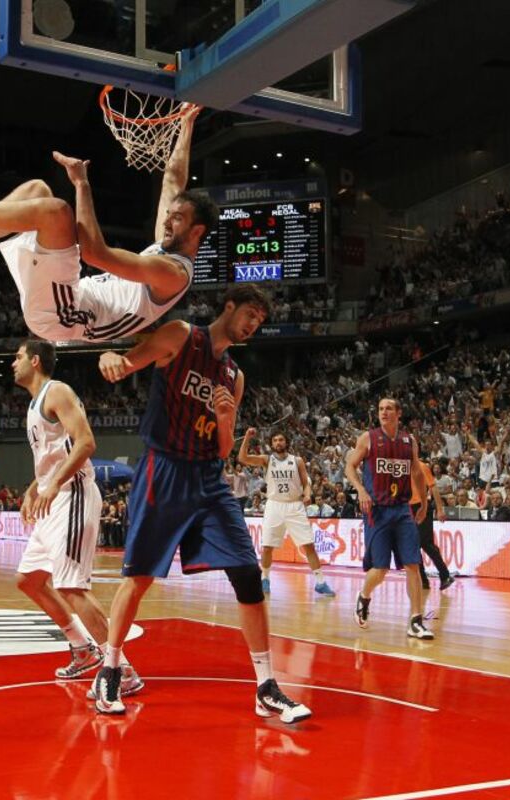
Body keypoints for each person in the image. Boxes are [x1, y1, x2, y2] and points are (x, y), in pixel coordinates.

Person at [91, 284, 310, 723]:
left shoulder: (234, 376)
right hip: (164, 469)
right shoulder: (181, 336)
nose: (253, 324)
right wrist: (110, 357)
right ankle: (110, 668)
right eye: (250, 314)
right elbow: (128, 361)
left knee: (247, 573)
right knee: (139, 576)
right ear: (229, 306)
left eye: (260, 321)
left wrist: (226, 419)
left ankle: (266, 686)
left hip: (209, 478)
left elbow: (224, 448)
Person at [0, 114, 210, 343]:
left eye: (177, 218)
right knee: (37, 190)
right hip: (66, 296)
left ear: (197, 232)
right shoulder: (166, 246)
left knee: (57, 212)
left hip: (67, 315)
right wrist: (186, 123)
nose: (166, 220)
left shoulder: (173, 273)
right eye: (169, 214)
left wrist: (82, 185)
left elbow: (95, 254)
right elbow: (172, 179)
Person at [11, 339, 142, 694]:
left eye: (18, 357)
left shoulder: (57, 392)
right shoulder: (35, 404)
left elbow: (86, 442)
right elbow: (52, 457)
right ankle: (82, 649)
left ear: (35, 361)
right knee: (28, 580)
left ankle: (121, 669)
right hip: (52, 499)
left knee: (71, 586)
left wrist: (53, 484)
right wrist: (34, 488)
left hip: (73, 495)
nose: (13, 363)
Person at [344, 398, 434, 639]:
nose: (384, 412)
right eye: (381, 409)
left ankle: (415, 620)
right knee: (381, 569)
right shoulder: (368, 438)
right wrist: (360, 490)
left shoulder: (409, 441)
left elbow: (417, 473)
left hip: (402, 509)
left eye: (389, 409)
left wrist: (424, 503)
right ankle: (364, 595)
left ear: (398, 413)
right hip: (378, 510)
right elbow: (349, 466)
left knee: (413, 564)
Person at [236, 428, 335, 598]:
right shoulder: (267, 460)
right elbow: (242, 458)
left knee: (309, 545)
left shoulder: (297, 461)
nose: (278, 443)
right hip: (274, 505)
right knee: (267, 546)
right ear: (271, 444)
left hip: (294, 505)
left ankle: (320, 582)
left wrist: (308, 495)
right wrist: (246, 437)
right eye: (275, 440)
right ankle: (265, 579)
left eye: (281, 439)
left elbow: (306, 483)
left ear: (286, 442)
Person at [409, 458, 452, 592]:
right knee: (412, 546)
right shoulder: (401, 466)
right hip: (406, 508)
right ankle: (423, 580)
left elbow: (433, 487)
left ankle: (445, 575)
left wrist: (440, 509)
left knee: (425, 543)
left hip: (422, 506)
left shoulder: (422, 466)